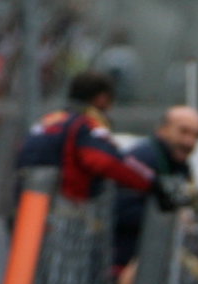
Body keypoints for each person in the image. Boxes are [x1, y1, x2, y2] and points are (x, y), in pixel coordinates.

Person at [13, 70, 172, 208]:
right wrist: (154, 183)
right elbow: (108, 161)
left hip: (25, 211)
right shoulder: (85, 125)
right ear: (102, 98)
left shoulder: (47, 121)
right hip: (64, 214)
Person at [113, 105, 198, 269]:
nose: (189, 142)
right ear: (163, 130)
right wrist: (171, 217)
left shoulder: (177, 162)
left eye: (196, 135)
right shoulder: (143, 158)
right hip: (128, 260)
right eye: (183, 132)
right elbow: (120, 209)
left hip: (153, 258)